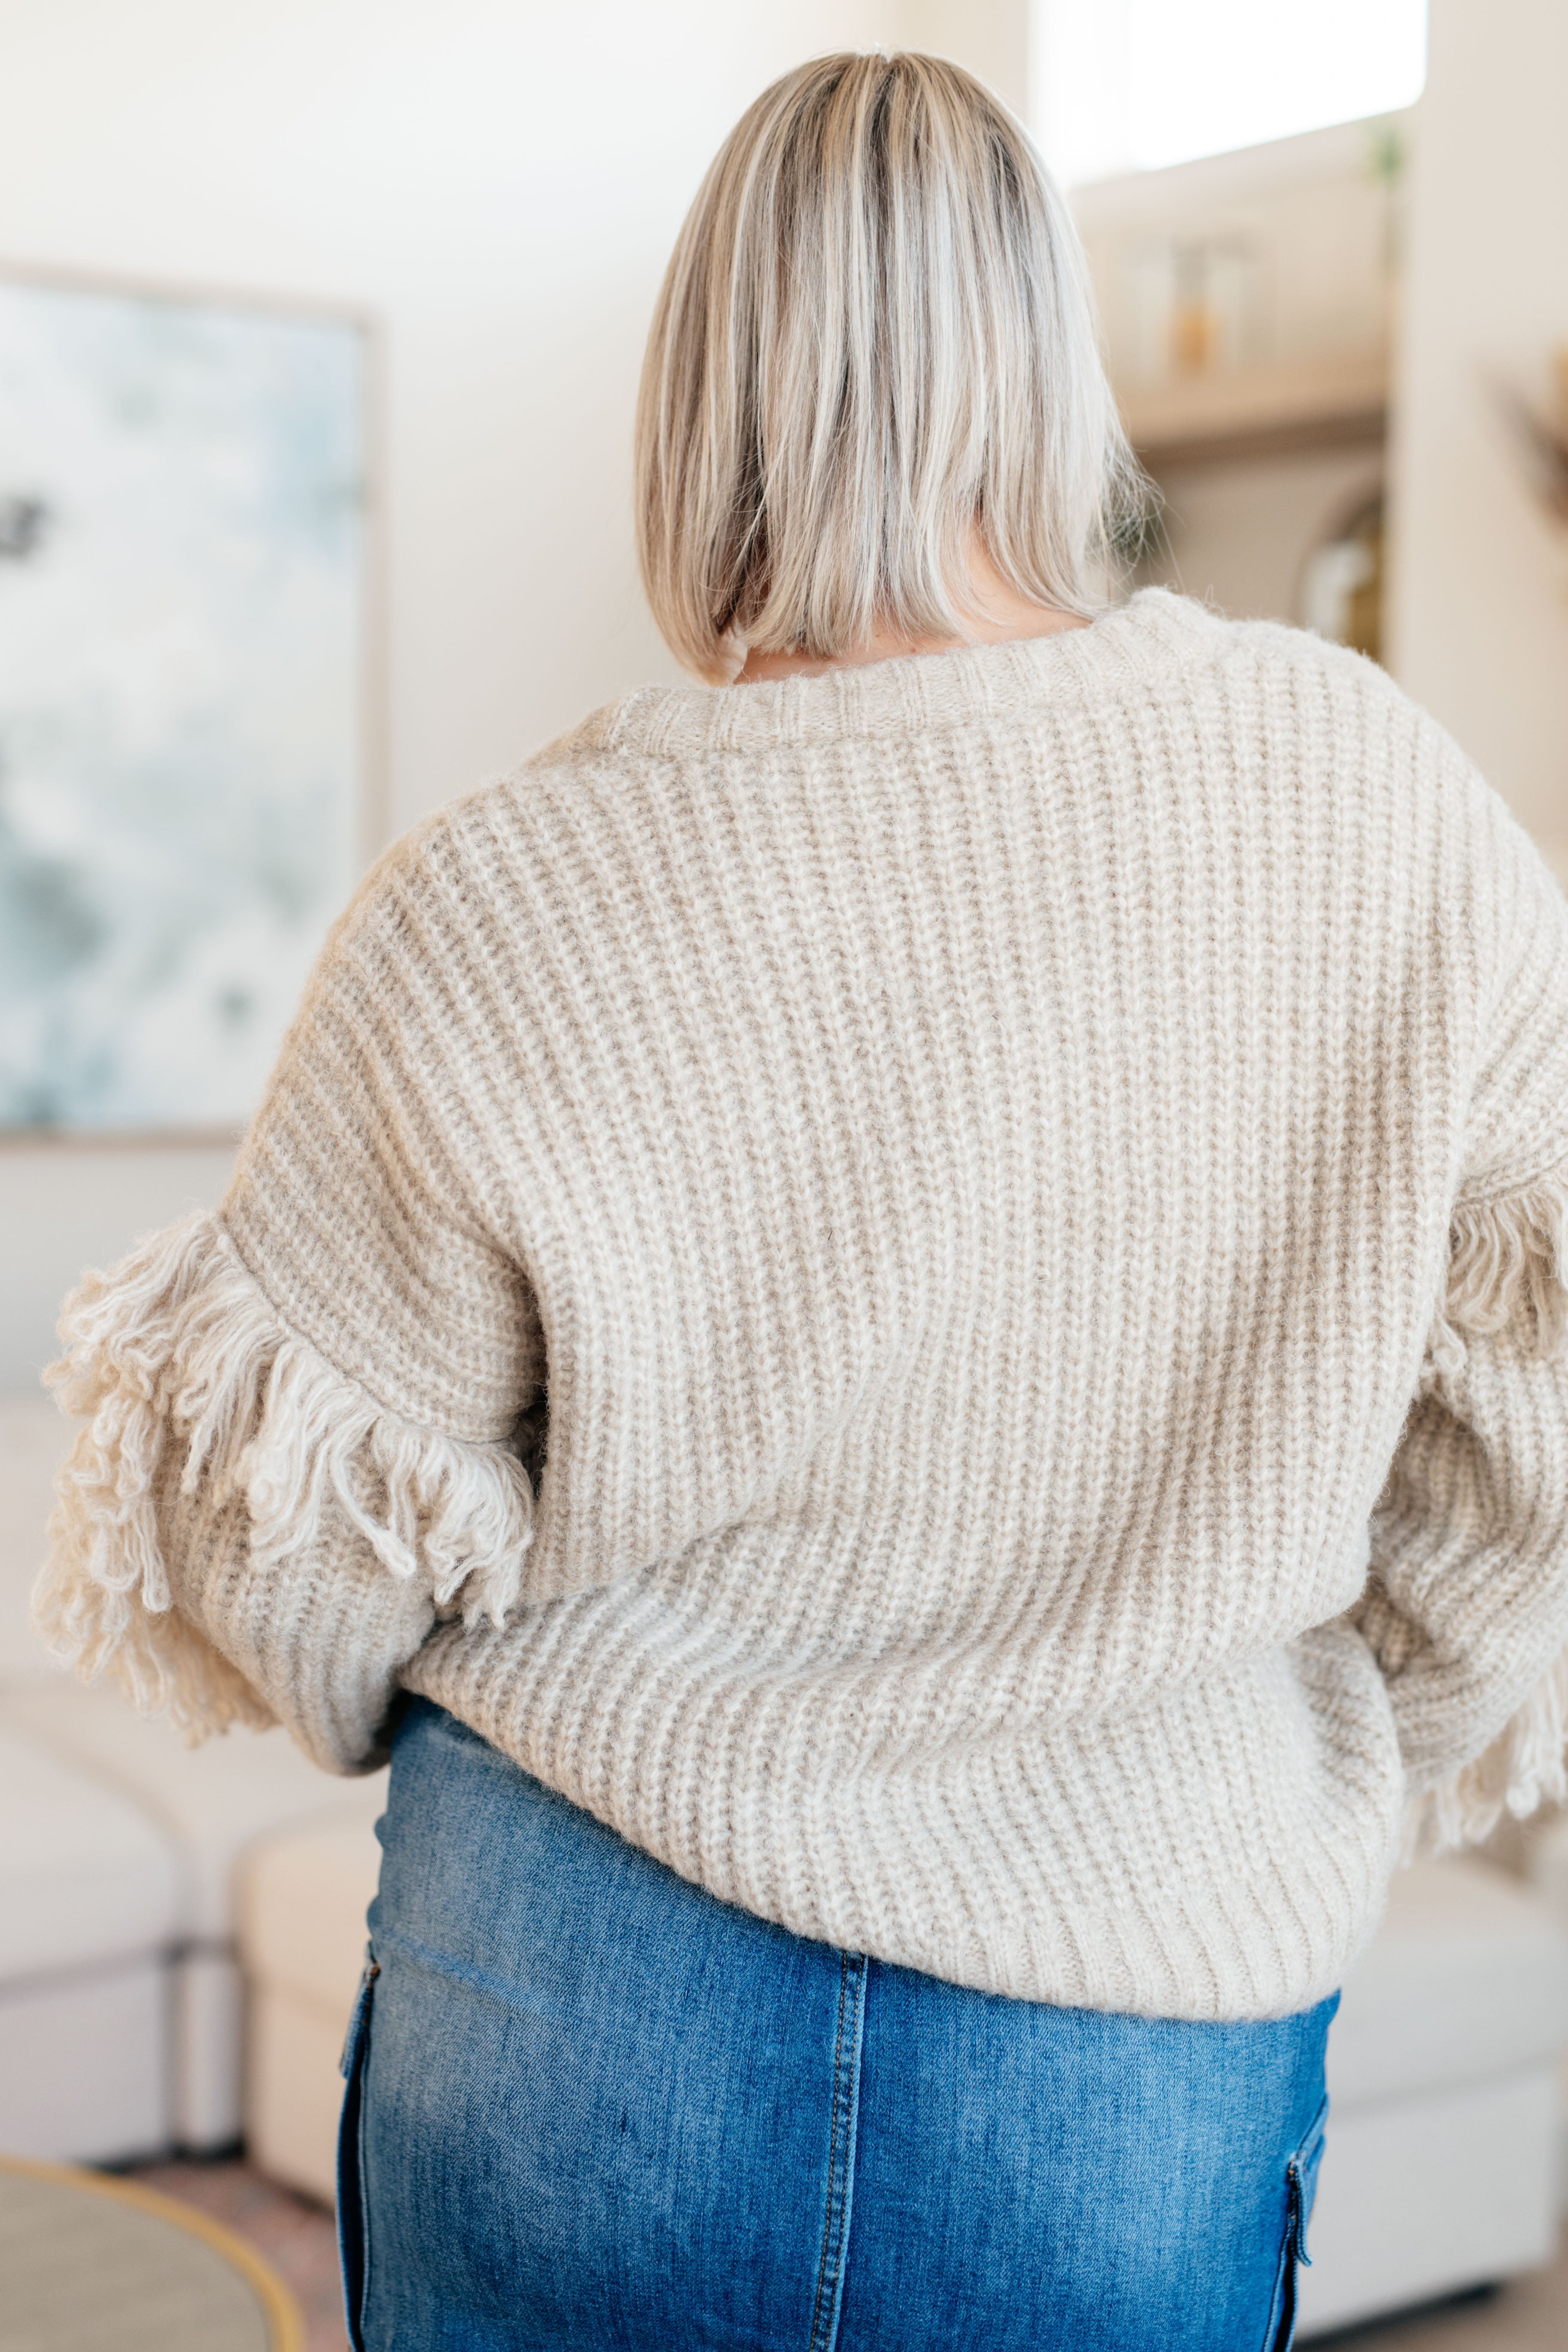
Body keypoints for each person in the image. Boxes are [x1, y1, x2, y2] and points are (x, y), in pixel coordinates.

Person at [37, 49, 1568, 2352]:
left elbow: (288, 1547)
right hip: (1133, 2020)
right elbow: (1519, 1436)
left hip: (563, 1987)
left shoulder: (502, 888)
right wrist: (1317, 1739)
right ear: (1046, 366)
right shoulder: (1368, 801)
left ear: (697, 395)